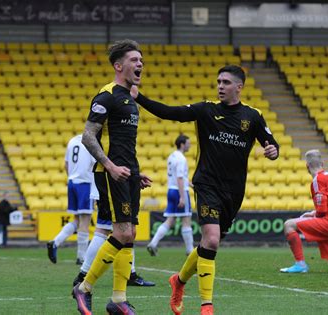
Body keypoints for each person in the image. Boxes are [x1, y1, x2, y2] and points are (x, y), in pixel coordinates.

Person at [132, 65, 279, 315]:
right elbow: (170, 113)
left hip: (233, 192)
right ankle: (206, 306)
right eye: (219, 81)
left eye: (226, 82)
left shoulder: (253, 116)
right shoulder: (206, 110)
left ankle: (178, 281)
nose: (220, 86)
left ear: (239, 87)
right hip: (207, 184)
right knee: (211, 240)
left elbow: (271, 144)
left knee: (209, 244)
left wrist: (273, 151)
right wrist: (140, 98)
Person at [72, 39, 152, 315]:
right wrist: (110, 166)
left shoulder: (131, 100)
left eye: (141, 60)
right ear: (119, 66)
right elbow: (88, 135)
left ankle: (118, 299)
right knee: (120, 232)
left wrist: (136, 173)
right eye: (133, 60)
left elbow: (124, 142)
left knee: (130, 234)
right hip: (110, 174)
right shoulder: (106, 95)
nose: (139, 64)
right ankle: (83, 288)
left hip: (129, 173)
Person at [72, 176, 155, 288]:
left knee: (124, 231)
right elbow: (115, 161)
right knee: (106, 231)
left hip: (113, 185)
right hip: (112, 187)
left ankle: (130, 274)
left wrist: (133, 177)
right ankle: (83, 275)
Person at [280, 149, 328, 273]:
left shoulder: (317, 180)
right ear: (322, 164)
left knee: (289, 225)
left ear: (307, 166)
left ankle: (300, 265)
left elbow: (321, 210)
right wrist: (314, 213)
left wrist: (315, 214)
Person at [47, 134, 95, 265]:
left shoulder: (72, 140)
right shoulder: (92, 142)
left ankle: (55, 242)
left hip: (72, 182)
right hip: (85, 184)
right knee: (85, 221)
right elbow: (96, 165)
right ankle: (81, 257)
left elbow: (66, 164)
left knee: (77, 220)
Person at [147, 134, 194, 257]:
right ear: (182, 144)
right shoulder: (182, 159)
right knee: (186, 220)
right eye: (188, 143)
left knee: (170, 220)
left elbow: (179, 176)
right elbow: (179, 178)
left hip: (171, 191)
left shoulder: (172, 156)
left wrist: (190, 184)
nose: (190, 145)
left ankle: (153, 243)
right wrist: (183, 197)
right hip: (180, 192)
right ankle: (190, 250)